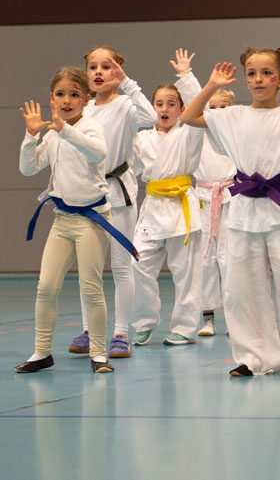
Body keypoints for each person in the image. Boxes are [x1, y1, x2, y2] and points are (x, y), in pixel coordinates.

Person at [182, 47, 280, 377]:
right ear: (245, 79)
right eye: (251, 73)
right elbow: (189, 117)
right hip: (244, 209)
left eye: (266, 73)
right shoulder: (232, 115)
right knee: (242, 289)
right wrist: (211, 86)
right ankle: (253, 358)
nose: (258, 79)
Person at [17, 67, 132, 373]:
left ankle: (98, 354)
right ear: (52, 98)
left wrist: (64, 130)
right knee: (46, 286)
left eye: (74, 95)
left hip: (92, 221)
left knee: (90, 287)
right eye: (60, 94)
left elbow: (98, 153)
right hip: (62, 221)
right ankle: (41, 352)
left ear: (85, 99)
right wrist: (31, 136)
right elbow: (28, 168)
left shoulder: (91, 127)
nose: (67, 100)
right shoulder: (52, 133)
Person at [68, 46, 155, 359]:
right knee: (88, 267)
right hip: (87, 193)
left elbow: (151, 117)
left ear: (118, 71)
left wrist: (128, 83)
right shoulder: (82, 109)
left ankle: (120, 333)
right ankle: (89, 330)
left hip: (119, 193)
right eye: (93, 67)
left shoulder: (127, 106)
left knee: (120, 265)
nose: (99, 72)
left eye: (107, 66)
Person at [129, 82, 204, 347]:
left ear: (182, 109)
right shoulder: (142, 138)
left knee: (186, 271)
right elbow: (129, 164)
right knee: (138, 263)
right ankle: (144, 322)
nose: (164, 109)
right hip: (153, 206)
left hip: (181, 206)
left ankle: (185, 328)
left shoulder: (190, 132)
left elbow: (199, 104)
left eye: (171, 104)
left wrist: (185, 77)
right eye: (159, 104)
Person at [169, 48, 236, 337]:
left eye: (223, 108)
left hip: (232, 198)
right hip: (203, 199)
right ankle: (207, 318)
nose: (217, 112)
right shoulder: (200, 129)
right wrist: (186, 75)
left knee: (231, 259)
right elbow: (197, 99)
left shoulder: (235, 130)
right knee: (205, 259)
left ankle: (235, 318)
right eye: (213, 108)